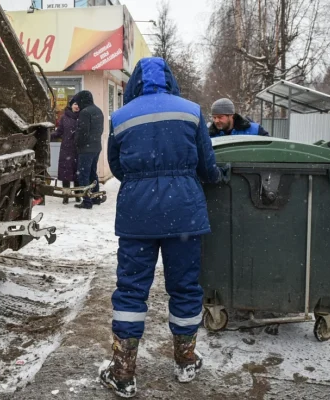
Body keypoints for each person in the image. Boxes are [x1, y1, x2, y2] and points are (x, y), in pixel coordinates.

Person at [100, 57, 228, 398]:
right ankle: (185, 359)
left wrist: (143, 184)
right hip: (184, 214)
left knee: (131, 291)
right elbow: (206, 162)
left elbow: (116, 165)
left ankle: (123, 371)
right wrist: (213, 177)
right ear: (170, 80)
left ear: (135, 83)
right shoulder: (190, 110)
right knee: (185, 287)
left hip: (137, 217)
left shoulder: (120, 116)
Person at [72, 90, 105, 210]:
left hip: (86, 148)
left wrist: (77, 142)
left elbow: (83, 131)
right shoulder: (98, 110)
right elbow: (100, 129)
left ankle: (86, 201)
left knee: (83, 175)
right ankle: (95, 197)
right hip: (96, 146)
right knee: (92, 173)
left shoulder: (84, 113)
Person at [51, 98, 81, 204]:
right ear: (71, 105)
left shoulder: (82, 117)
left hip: (78, 148)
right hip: (66, 148)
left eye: (78, 104)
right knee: (66, 173)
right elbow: (59, 132)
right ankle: (66, 195)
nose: (76, 106)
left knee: (77, 172)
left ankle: (78, 195)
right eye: (75, 104)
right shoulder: (64, 117)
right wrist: (49, 136)